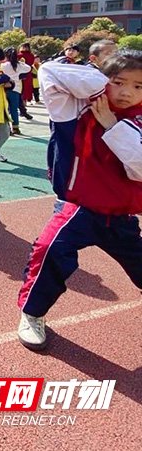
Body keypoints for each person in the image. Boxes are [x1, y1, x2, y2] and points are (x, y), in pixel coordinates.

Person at [17, 49, 142, 350]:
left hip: (121, 216)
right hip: (79, 208)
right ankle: (32, 314)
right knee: (49, 250)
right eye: (118, 81)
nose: (126, 92)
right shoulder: (76, 107)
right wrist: (100, 84)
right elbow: (49, 71)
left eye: (139, 86)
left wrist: (114, 126)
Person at [1, 47, 31, 136]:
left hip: (4, 88)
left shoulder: (4, 65)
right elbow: (28, 68)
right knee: (14, 109)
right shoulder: (19, 65)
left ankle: (7, 128)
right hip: (16, 88)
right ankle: (16, 128)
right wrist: (21, 62)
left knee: (5, 109)